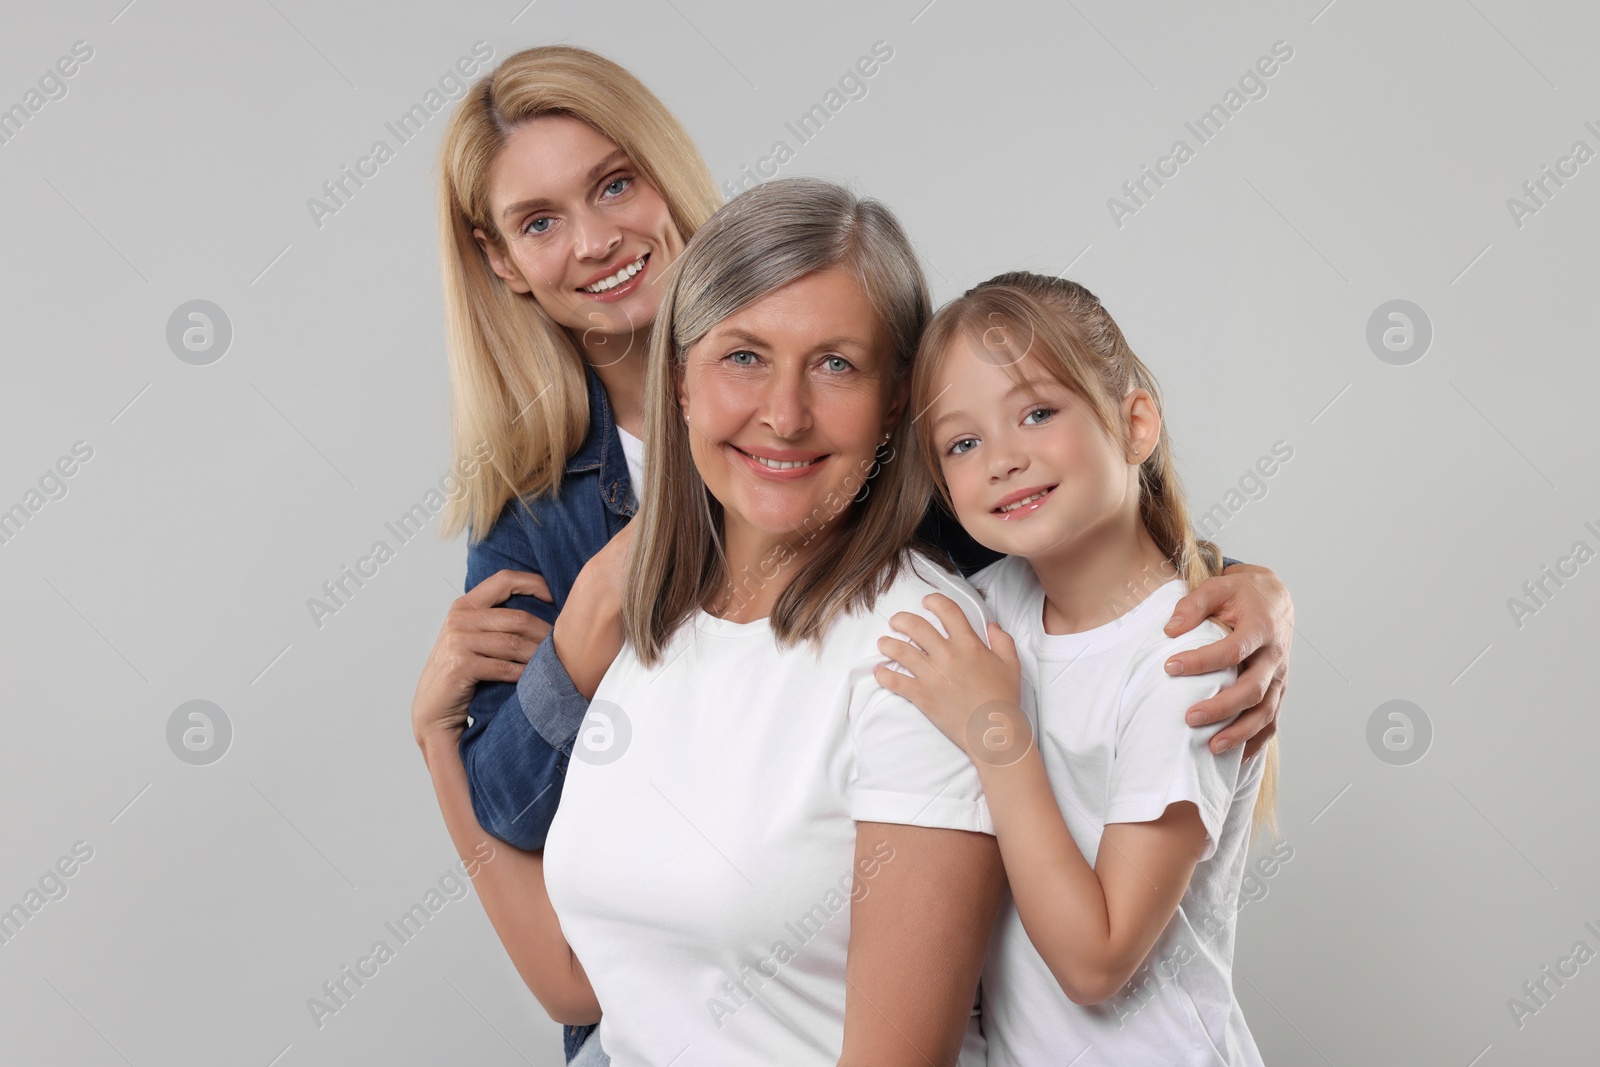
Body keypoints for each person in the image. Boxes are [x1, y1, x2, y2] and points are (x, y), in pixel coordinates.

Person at [414, 44, 1294, 1062]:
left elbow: (1057, 504)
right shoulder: (568, 538)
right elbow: (566, 925)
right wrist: (544, 662)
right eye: (540, 220)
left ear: (896, 413)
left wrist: (1239, 588)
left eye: (614, 183)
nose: (595, 237)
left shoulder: (916, 631)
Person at [420, 177, 1007, 1066]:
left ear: (895, 401)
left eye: (836, 363)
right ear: (682, 381)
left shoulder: (918, 651)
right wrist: (436, 740)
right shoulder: (648, 619)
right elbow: (581, 982)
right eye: (744, 356)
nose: (784, 413)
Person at [875, 272, 1276, 1064]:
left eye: (1037, 412)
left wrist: (998, 734)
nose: (1002, 459)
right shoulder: (991, 605)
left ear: (1135, 423)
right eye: (962, 442)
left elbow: (1096, 959)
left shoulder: (1183, 659)